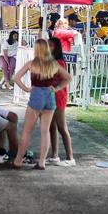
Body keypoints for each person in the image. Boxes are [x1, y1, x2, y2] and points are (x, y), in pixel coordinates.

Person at [12, 39, 71, 170]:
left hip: (36, 96)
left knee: (27, 131)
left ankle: (18, 160)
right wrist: (57, 88)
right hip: (50, 97)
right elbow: (68, 77)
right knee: (45, 132)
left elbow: (15, 77)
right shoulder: (53, 64)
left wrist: (26, 88)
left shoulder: (32, 64)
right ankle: (42, 162)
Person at [45, 37, 76, 166]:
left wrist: (56, 87)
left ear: (56, 47)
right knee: (51, 127)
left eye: (50, 45)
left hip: (58, 96)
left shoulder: (59, 62)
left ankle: (70, 158)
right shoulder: (49, 61)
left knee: (62, 127)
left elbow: (66, 78)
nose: (48, 48)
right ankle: (54, 155)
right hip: (49, 95)